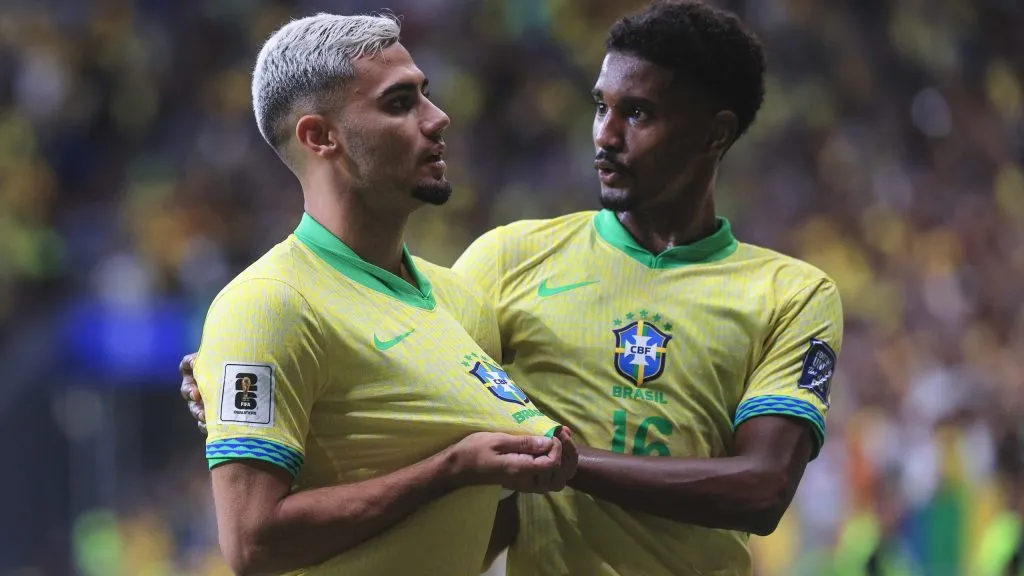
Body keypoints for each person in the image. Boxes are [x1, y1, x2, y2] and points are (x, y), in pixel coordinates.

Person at [181, 2, 843, 574]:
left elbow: (761, 490)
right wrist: (233, 378)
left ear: (715, 133)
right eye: (600, 107)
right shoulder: (504, 263)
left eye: (638, 114)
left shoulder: (791, 293)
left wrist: (563, 462)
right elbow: (405, 394)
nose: (606, 137)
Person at [186, 12, 577, 576]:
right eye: (399, 103)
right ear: (320, 136)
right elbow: (253, 544)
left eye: (426, 95)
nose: (438, 118)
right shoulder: (267, 305)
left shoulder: (463, 301)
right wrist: (449, 469)